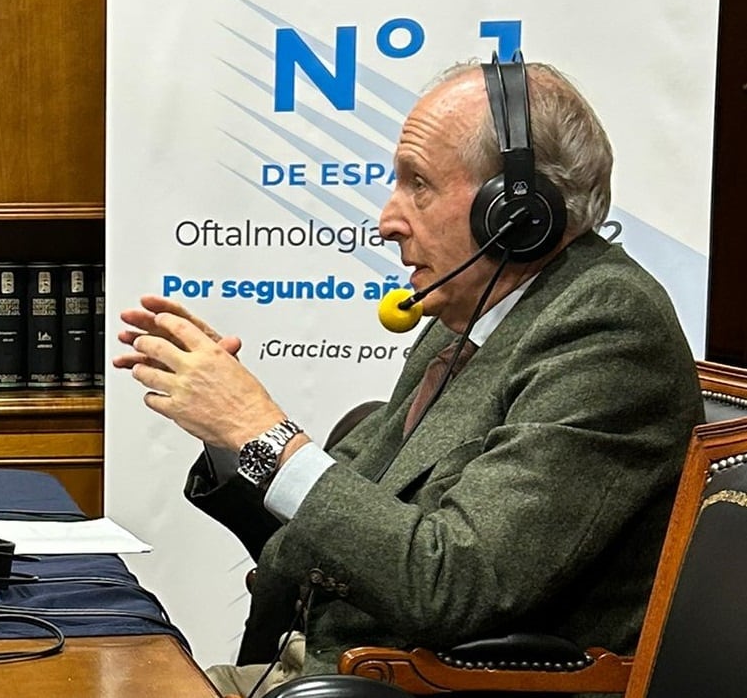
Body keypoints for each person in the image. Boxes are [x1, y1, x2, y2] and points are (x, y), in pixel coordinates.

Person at [114, 59, 702, 692]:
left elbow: (455, 585)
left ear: (515, 212)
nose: (386, 220)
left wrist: (261, 430)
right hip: (327, 671)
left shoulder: (605, 326)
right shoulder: (463, 319)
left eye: (417, 183)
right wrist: (231, 434)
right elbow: (330, 522)